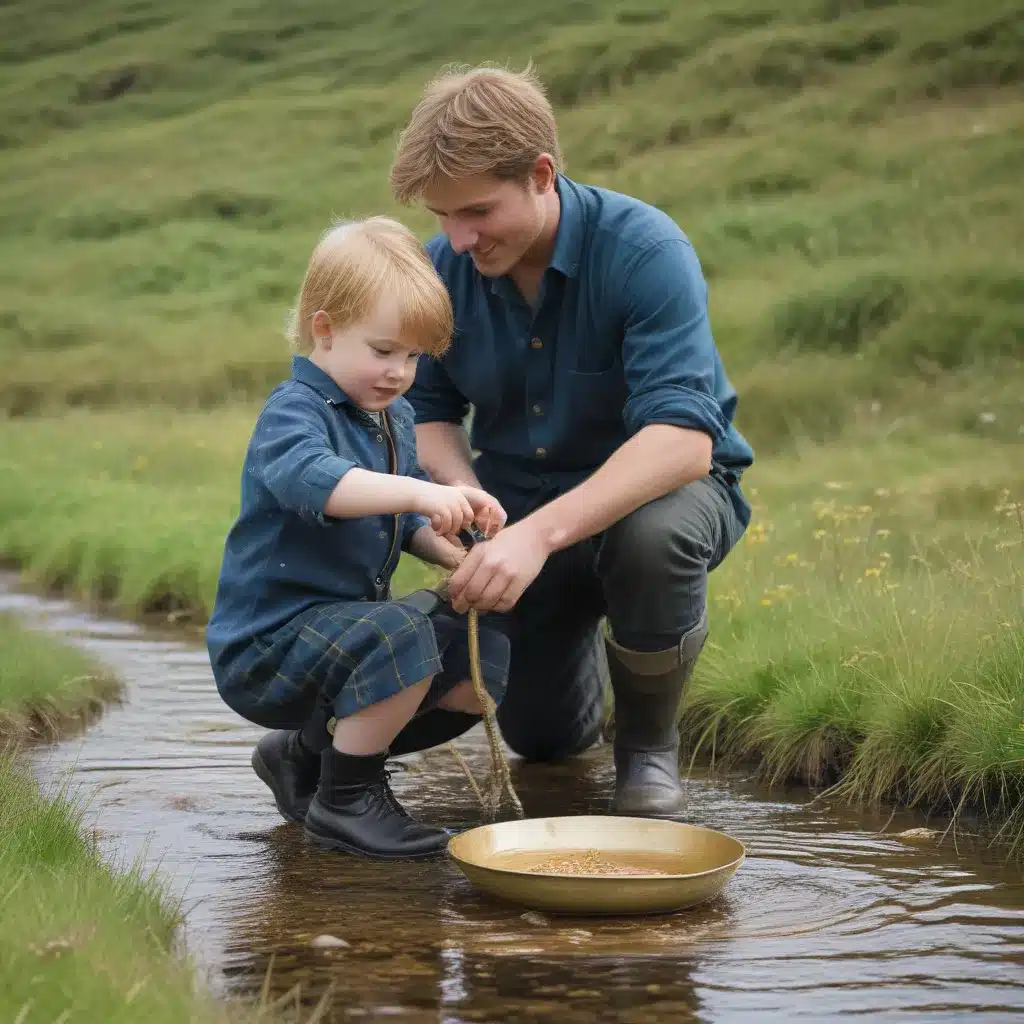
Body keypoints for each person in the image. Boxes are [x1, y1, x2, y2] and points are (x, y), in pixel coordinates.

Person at [388, 64, 755, 819]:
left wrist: (538, 538)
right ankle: (578, 653)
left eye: (478, 212)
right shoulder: (443, 267)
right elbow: (427, 412)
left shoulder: (646, 250)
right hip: (516, 509)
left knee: (651, 541)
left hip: (664, 496)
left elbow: (683, 442)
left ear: (542, 175)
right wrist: (464, 496)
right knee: (544, 741)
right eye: (443, 215)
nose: (458, 237)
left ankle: (649, 753)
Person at [205, 215, 511, 860]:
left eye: (413, 356)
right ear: (325, 328)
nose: (399, 372)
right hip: (268, 644)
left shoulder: (390, 414)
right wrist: (426, 491)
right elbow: (325, 485)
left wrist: (452, 547)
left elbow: (396, 523)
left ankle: (307, 758)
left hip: (337, 638)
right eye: (383, 351)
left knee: (475, 660)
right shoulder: (294, 412)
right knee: (401, 632)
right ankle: (349, 798)